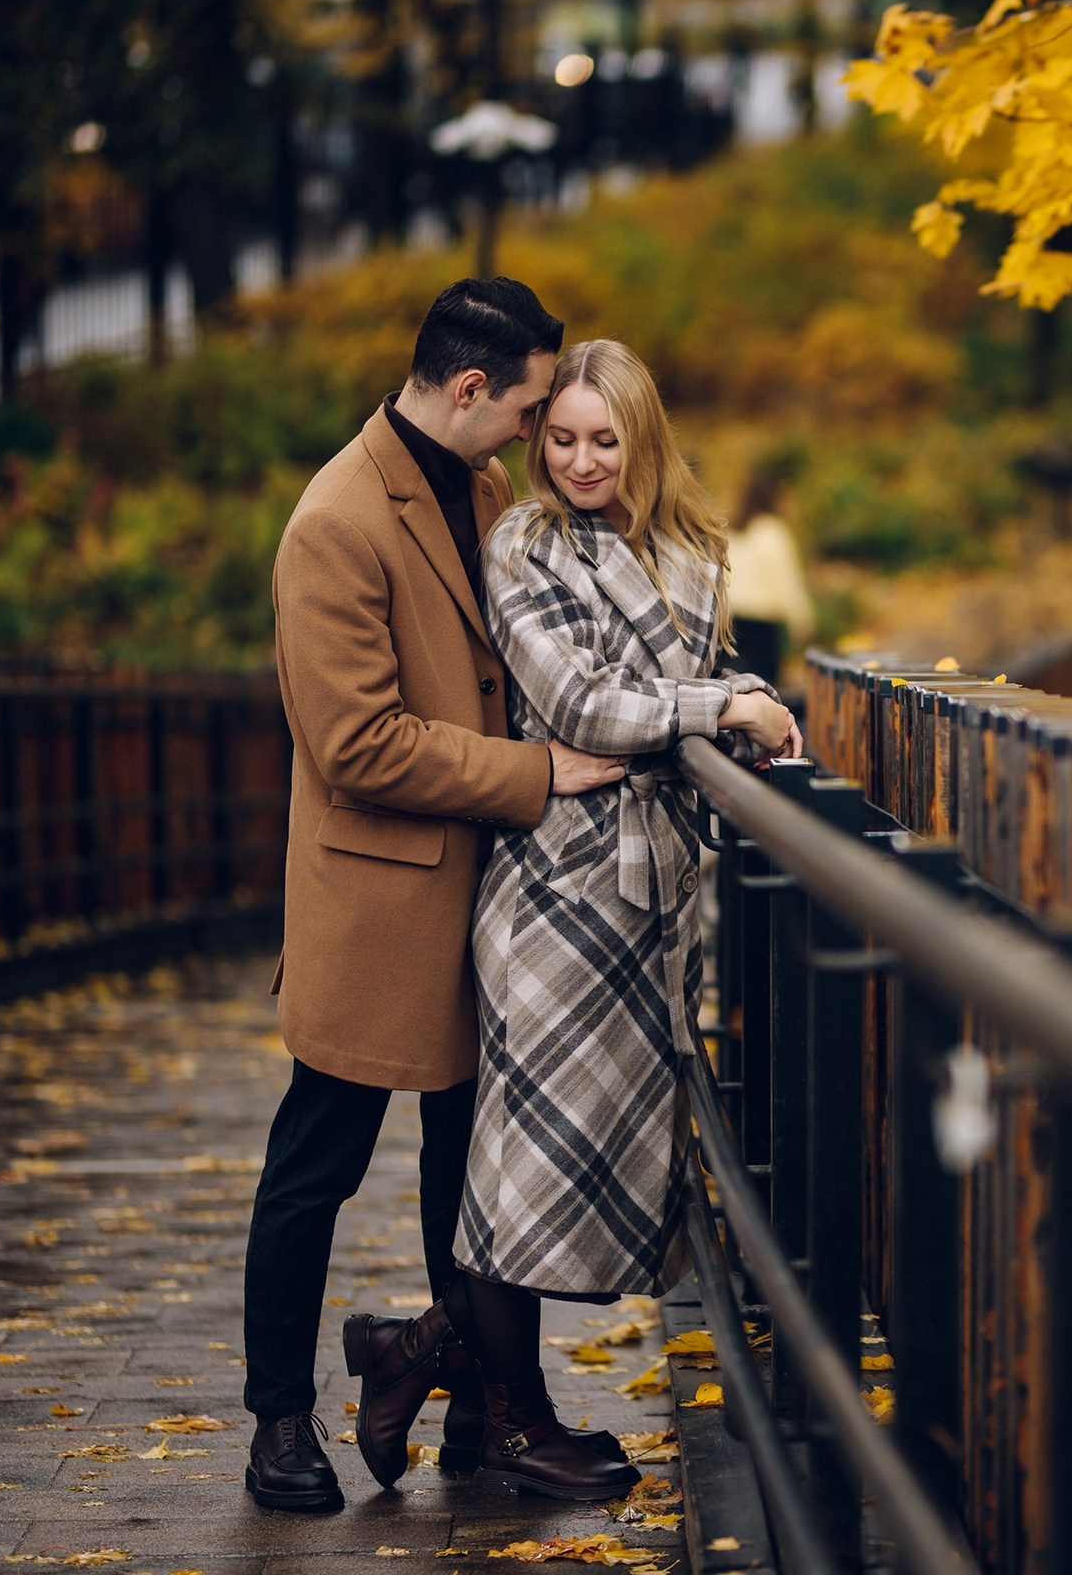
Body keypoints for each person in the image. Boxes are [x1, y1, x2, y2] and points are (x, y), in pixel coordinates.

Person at [342, 339, 801, 1502]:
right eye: (562, 438)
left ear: (642, 439)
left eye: (606, 438)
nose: (583, 459)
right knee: (520, 1174)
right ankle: (510, 1421)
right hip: (553, 889)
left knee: (587, 1169)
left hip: (651, 899)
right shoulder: (524, 542)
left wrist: (742, 712)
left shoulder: (697, 551)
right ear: (537, 445)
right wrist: (725, 703)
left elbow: (683, 704)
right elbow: (578, 702)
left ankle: (417, 1352)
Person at [243, 278, 633, 1514]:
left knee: (469, 1166)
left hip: (489, 890)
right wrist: (537, 771)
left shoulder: (480, 485)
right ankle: (278, 1420)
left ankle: (477, 1401)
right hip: (378, 902)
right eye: (528, 409)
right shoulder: (334, 521)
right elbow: (356, 743)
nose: (537, 434)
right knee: (320, 1159)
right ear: (471, 389)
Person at [724, 464, 816, 686]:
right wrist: (802, 621)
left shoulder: (731, 531)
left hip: (729, 621)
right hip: (762, 624)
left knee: (733, 688)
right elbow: (787, 581)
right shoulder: (773, 531)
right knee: (763, 686)